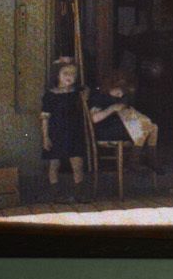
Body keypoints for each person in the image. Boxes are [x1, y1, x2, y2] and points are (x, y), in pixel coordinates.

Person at [89, 71, 164, 173]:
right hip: (106, 128)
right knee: (145, 127)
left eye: (123, 92)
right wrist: (112, 108)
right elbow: (94, 119)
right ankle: (136, 161)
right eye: (118, 92)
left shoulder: (122, 97)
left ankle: (149, 159)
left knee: (153, 126)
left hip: (124, 125)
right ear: (110, 87)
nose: (120, 95)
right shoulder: (100, 97)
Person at [39, 57, 88, 198]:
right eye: (65, 73)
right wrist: (45, 137)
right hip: (56, 132)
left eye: (73, 74)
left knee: (77, 163)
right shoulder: (50, 95)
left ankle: (79, 193)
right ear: (57, 75)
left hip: (74, 132)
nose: (69, 76)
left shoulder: (77, 92)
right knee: (54, 163)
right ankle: (55, 194)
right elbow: (45, 117)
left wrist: (86, 94)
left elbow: (87, 89)